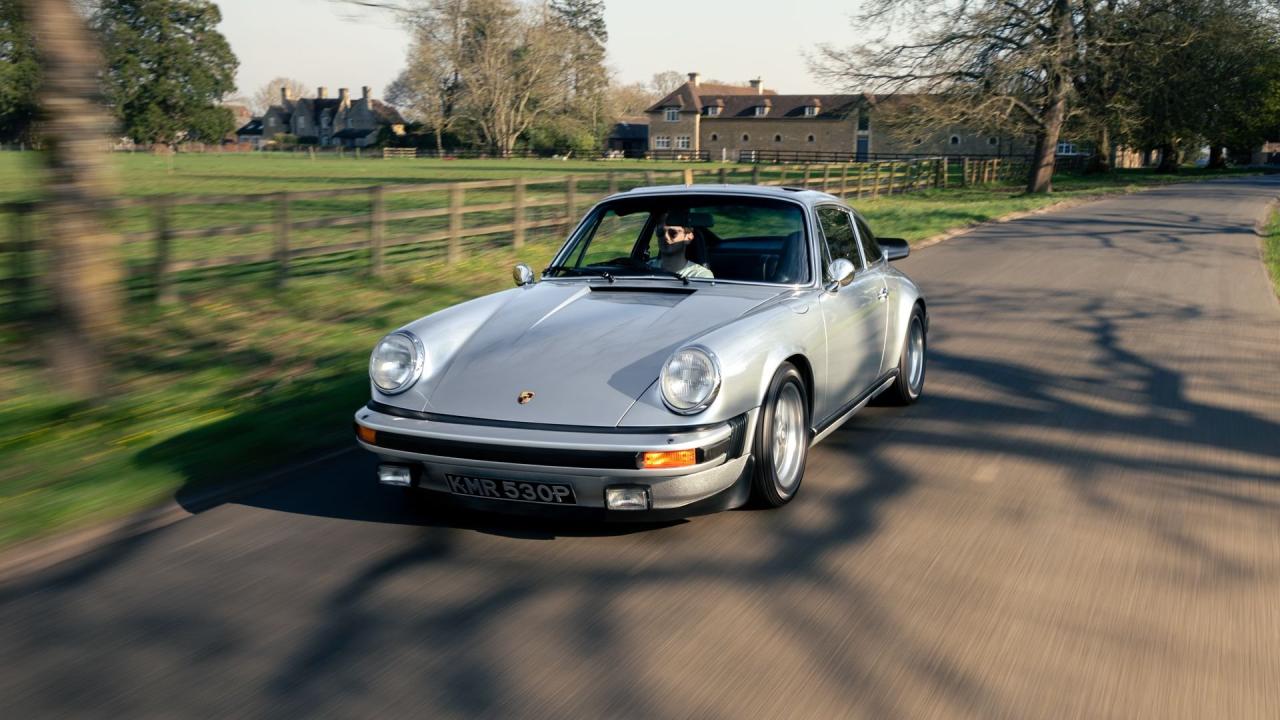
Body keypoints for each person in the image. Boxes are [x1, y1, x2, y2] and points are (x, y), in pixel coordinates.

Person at [649, 211, 714, 279]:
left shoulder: (700, 275)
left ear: (688, 238)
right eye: (660, 232)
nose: (665, 237)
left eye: (673, 233)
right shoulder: (648, 268)